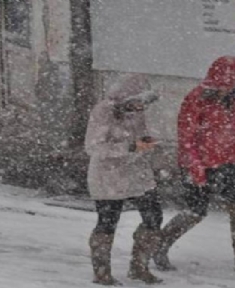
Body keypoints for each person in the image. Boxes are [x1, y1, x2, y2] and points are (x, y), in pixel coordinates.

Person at [153, 56, 235, 277]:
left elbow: (232, 135)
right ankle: (160, 245)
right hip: (200, 164)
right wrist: (195, 166)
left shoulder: (232, 102)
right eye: (231, 84)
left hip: (228, 163)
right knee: (195, 212)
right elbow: (186, 136)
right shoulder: (196, 99)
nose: (234, 88)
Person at [84, 74, 164, 285]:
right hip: (108, 175)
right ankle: (102, 273)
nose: (141, 108)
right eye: (138, 102)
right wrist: (129, 147)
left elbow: (141, 134)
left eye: (144, 103)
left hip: (136, 172)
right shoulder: (103, 111)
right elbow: (93, 147)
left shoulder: (136, 112)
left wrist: (146, 141)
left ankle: (139, 266)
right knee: (108, 223)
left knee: (154, 216)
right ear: (125, 97)